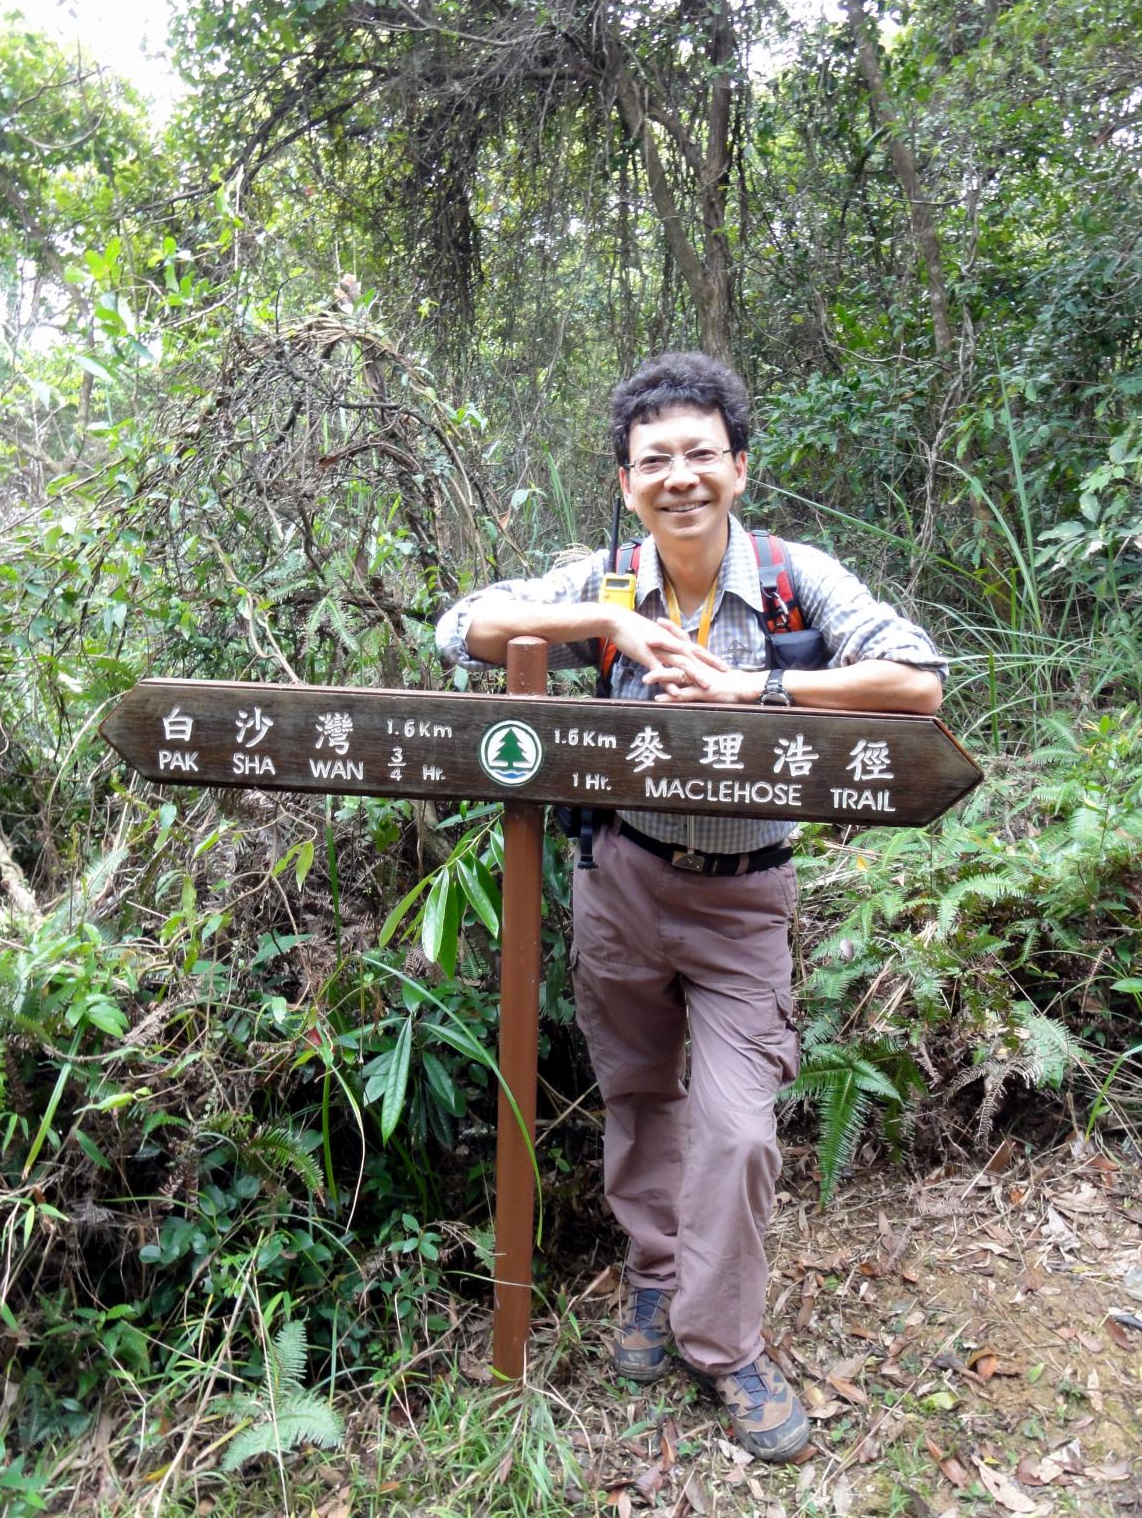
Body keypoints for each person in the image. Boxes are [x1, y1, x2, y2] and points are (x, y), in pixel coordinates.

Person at [435, 352, 946, 1461]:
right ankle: (655, 1278)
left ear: (738, 467)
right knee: (637, 1096)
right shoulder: (610, 578)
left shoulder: (794, 579)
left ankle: (725, 1342)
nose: (680, 477)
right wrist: (606, 627)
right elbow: (461, 624)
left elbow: (917, 679)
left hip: (744, 898)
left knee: (739, 1127)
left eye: (701, 454)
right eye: (654, 460)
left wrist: (759, 689)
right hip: (620, 878)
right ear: (627, 482)